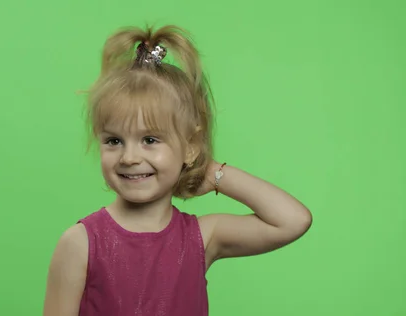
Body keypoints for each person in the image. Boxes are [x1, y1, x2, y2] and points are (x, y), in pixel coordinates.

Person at [42, 24, 313, 316]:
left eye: (150, 139)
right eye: (114, 140)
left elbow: (292, 220)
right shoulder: (81, 242)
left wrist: (210, 172)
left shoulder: (201, 237)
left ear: (190, 146)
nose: (129, 157)